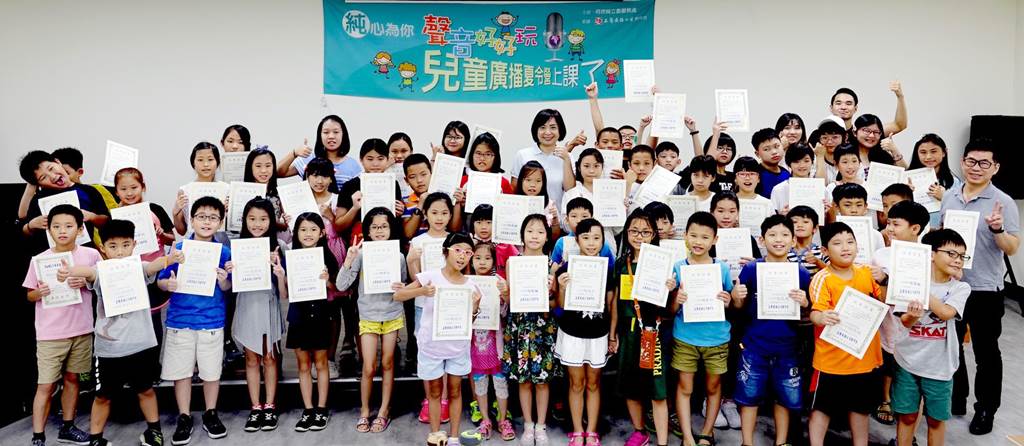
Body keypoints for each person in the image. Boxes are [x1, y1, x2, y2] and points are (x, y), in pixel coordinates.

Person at [59, 219, 183, 446]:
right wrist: (70, 271)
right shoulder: (101, 271)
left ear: (134, 245)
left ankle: (154, 431)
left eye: (125, 245)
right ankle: (96, 438)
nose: (120, 251)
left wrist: (169, 259)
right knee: (103, 396)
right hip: (109, 349)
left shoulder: (138, 267)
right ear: (102, 248)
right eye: (113, 246)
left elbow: (153, 266)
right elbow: (88, 272)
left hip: (141, 344)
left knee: (146, 390)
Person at [941, 138, 1020, 435]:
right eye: (971, 161)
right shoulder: (950, 196)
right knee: (951, 346)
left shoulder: (1003, 202)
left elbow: (1012, 247)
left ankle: (986, 409)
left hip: (985, 289)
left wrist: (998, 229)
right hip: (952, 286)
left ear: (995, 167)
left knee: (986, 353)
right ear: (962, 162)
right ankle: (957, 397)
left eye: (984, 163)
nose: (976, 167)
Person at [22, 205, 102, 446]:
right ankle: (38, 436)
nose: (62, 231)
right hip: (50, 334)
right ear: (49, 230)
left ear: (80, 229)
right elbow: (29, 295)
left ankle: (68, 427)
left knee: (73, 379)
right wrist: (40, 292)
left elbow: (103, 283)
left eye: (68, 226)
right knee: (46, 384)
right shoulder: (40, 260)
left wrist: (86, 282)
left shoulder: (91, 255)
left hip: (82, 329)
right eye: (56, 226)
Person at [156, 196, 233, 445]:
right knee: (182, 372)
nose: (206, 222)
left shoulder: (224, 252)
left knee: (211, 372)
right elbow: (161, 280)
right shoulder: (178, 249)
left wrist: (224, 280)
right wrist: (167, 285)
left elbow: (228, 288)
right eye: (201, 216)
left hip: (212, 320)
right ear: (191, 219)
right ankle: (184, 416)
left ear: (220, 222)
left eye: (213, 218)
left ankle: (211, 413)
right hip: (180, 320)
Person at [395, 232, 483, 446]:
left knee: (455, 391)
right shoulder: (430, 276)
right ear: (445, 252)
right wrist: (423, 291)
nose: (462, 256)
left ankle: (453, 437)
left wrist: (475, 307)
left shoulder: (471, 286)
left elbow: (468, 322)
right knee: (434, 392)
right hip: (431, 346)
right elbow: (398, 295)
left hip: (457, 347)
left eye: (468, 252)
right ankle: (435, 435)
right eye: (458, 250)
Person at [732, 215, 812, 446]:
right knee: (749, 395)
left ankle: (781, 441)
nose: (779, 240)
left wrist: (805, 302)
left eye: (785, 235)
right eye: (772, 235)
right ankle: (747, 442)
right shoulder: (751, 269)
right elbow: (739, 307)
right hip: (754, 344)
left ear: (793, 240)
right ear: (761, 239)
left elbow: (808, 311)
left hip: (788, 347)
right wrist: (736, 297)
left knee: (784, 397)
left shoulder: (801, 273)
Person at [808, 222, 887, 446]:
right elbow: (815, 312)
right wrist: (821, 318)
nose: (845, 247)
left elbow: (882, 301)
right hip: (831, 360)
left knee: (860, 409)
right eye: (837, 243)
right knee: (822, 408)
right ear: (825, 250)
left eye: (850, 242)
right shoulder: (823, 278)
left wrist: (884, 279)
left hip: (863, 358)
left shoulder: (866, 273)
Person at [892, 229, 972, 446]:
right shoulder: (908, 282)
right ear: (931, 254)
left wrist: (921, 290)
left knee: (936, 420)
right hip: (907, 362)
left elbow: (946, 312)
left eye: (962, 256)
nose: (958, 260)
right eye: (951, 254)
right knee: (907, 416)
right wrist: (912, 315)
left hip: (940, 367)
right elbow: (905, 321)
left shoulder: (960, 287)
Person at [336, 207, 408, 434]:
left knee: (388, 363)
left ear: (391, 229)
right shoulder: (361, 254)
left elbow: (403, 287)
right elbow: (341, 285)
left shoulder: (398, 256)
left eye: (384, 226)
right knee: (368, 366)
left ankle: (384, 410)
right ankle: (365, 410)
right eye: (374, 227)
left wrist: (402, 287)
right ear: (367, 230)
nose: (379, 231)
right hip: (368, 315)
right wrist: (348, 260)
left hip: (391, 315)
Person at [670, 211, 739, 446]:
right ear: (685, 236)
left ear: (715, 240)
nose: (698, 242)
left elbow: (730, 302)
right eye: (693, 235)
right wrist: (676, 299)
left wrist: (728, 300)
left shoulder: (721, 268)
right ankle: (688, 436)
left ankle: (707, 433)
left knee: (713, 386)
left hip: (716, 337)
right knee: (685, 387)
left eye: (705, 237)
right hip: (685, 336)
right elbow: (670, 310)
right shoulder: (678, 267)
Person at [613, 209, 673, 446]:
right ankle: (640, 431)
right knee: (630, 386)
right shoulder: (621, 264)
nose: (639, 236)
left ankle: (663, 441)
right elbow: (615, 302)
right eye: (634, 231)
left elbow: (672, 306)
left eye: (645, 232)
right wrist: (612, 334)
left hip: (654, 332)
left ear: (654, 234)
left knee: (658, 389)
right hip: (629, 332)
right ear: (627, 233)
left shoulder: (663, 263)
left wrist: (671, 287)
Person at [554, 218, 616, 445]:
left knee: (593, 383)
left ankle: (591, 431)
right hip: (572, 333)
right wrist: (562, 287)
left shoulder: (607, 270)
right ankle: (578, 430)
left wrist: (612, 335)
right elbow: (560, 305)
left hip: (598, 334)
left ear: (603, 241)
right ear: (577, 240)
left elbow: (612, 306)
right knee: (576, 383)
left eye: (596, 238)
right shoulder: (566, 268)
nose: (591, 243)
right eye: (586, 237)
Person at [500, 215, 560, 445]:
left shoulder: (551, 265)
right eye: (530, 231)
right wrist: (504, 291)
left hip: (543, 327)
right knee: (523, 379)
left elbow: (556, 304)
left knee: (542, 380)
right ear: (522, 235)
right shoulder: (513, 262)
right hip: (520, 325)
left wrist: (552, 291)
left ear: (547, 236)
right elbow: (510, 300)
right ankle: (528, 425)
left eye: (540, 232)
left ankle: (541, 426)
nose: (535, 236)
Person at [229, 198, 287, 433]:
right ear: (244, 220)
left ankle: (270, 406)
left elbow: (284, 292)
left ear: (271, 221)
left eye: (263, 219)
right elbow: (228, 286)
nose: (257, 224)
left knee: (269, 357)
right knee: (251, 358)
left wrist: (279, 272)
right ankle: (255, 407)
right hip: (246, 304)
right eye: (252, 218)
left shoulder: (278, 247)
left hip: (268, 303)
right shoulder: (236, 246)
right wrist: (230, 271)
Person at [285, 213, 339, 433]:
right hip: (298, 315)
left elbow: (338, 287)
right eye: (303, 229)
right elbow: (286, 290)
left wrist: (328, 282)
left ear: (322, 233)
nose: (308, 234)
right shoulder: (291, 257)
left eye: (313, 229)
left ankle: (321, 408)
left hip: (321, 315)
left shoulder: (327, 257)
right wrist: (281, 274)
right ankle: (308, 409)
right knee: (303, 365)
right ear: (296, 233)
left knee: (321, 363)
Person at [464, 241, 515, 441]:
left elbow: (505, 312)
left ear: (494, 261)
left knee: (500, 382)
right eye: (477, 258)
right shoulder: (466, 283)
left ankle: (503, 419)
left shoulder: (498, 282)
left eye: (487, 258)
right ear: (471, 260)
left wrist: (504, 295)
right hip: (475, 344)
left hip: (496, 343)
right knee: (480, 383)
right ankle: (485, 420)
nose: (482, 262)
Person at [510, 109, 584, 210]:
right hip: (528, 215)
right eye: (542, 127)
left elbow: (570, 190)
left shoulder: (567, 156)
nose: (548, 132)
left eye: (553, 127)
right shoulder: (522, 155)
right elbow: (514, 190)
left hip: (557, 217)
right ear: (536, 130)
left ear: (560, 130)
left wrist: (566, 159)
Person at [277, 115, 362, 189]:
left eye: (336, 132)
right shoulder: (309, 158)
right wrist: (294, 153)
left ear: (343, 134)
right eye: (326, 132)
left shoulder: (353, 166)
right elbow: (278, 173)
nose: (331, 136)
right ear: (320, 135)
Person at [908, 134, 960, 229]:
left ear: (944, 152)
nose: (928, 157)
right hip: (916, 231)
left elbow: (961, 212)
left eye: (933, 151)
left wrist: (945, 197)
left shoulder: (955, 182)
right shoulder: (908, 180)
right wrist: (906, 194)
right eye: (923, 152)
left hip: (943, 232)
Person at [751, 128, 790, 198]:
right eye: (766, 149)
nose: (774, 152)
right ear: (757, 154)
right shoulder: (755, 175)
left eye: (777, 146)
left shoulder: (786, 173)